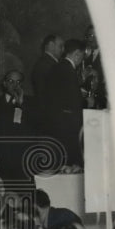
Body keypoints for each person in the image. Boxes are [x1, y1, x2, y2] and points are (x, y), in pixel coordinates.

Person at [44, 38, 87, 167]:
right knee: (72, 162)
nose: (82, 60)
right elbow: (74, 101)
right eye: (82, 56)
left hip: (57, 122)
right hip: (69, 124)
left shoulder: (58, 67)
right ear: (77, 53)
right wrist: (85, 100)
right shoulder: (68, 70)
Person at [30, 33, 63, 100]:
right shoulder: (47, 65)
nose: (63, 50)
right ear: (51, 45)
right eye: (60, 46)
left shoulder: (45, 63)